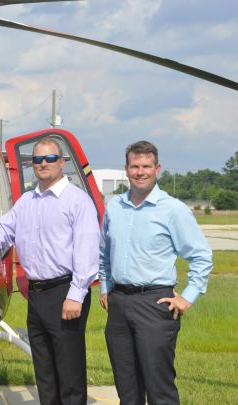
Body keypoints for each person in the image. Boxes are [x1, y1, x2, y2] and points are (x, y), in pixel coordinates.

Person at [0, 137, 100, 405]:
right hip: (36, 294)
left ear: (62, 162)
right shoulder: (27, 201)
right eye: (37, 159)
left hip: (64, 292)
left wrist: (76, 295)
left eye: (50, 158)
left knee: (69, 371)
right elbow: (4, 230)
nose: (43, 164)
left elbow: (87, 252)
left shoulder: (77, 201)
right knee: (44, 369)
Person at [99, 140, 213, 405]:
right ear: (126, 169)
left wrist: (187, 297)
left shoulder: (173, 209)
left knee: (159, 387)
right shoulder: (114, 206)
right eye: (134, 166)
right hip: (118, 303)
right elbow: (104, 252)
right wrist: (106, 287)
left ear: (157, 169)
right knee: (127, 389)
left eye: (146, 166)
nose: (140, 172)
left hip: (155, 304)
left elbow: (201, 255)